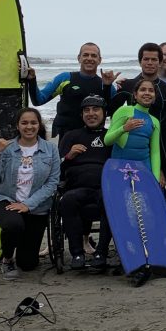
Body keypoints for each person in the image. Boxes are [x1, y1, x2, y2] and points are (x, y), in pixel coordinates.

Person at [0, 108, 60, 280]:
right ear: (17, 126)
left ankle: (20, 248)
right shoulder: (5, 148)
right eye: (24, 123)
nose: (29, 127)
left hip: (36, 207)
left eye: (33, 122)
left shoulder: (51, 149)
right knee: (14, 225)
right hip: (5, 199)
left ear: (39, 125)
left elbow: (52, 183)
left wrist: (28, 204)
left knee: (28, 264)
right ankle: (7, 259)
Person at [57, 95, 114, 270]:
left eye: (96, 109)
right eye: (86, 110)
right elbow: (57, 168)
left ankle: (101, 252)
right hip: (77, 188)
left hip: (105, 188)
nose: (91, 113)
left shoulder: (111, 137)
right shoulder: (71, 136)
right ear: (81, 115)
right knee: (67, 200)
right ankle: (77, 253)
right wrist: (69, 156)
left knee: (112, 201)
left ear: (104, 114)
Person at [26, 42, 116, 137]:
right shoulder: (65, 78)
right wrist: (32, 80)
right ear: (79, 58)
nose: (89, 58)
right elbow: (38, 100)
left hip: (93, 137)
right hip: (65, 134)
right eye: (85, 55)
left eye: (93, 55)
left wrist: (121, 87)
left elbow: (113, 113)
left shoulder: (106, 84)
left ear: (99, 60)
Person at [106, 78, 164, 186]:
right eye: (143, 89)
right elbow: (107, 140)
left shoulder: (155, 121)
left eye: (151, 90)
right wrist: (124, 129)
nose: (147, 93)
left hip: (143, 169)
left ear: (154, 97)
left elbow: (155, 152)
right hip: (120, 167)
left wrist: (155, 180)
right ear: (135, 95)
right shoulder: (124, 111)